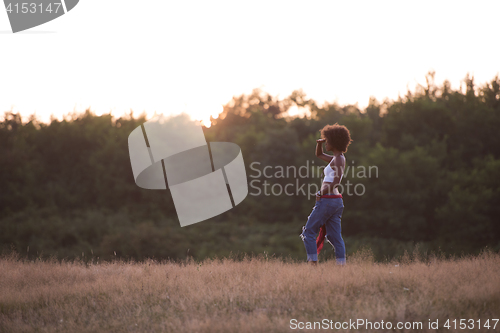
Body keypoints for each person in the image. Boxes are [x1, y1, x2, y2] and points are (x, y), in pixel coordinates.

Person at [300, 123, 352, 265]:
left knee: (308, 232)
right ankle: (341, 266)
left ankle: (313, 266)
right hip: (335, 201)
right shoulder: (335, 159)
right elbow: (319, 154)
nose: (326, 142)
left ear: (335, 142)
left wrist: (320, 192)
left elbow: (337, 181)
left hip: (328, 200)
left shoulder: (339, 159)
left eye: (327, 140)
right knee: (334, 237)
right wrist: (319, 144)